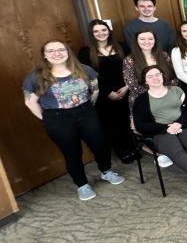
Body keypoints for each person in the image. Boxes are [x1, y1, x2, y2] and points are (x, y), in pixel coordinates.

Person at [24, 40, 124, 201]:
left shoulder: (84, 70)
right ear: (44, 55)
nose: (56, 53)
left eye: (60, 50)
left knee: (101, 145)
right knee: (72, 153)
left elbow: (95, 90)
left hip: (86, 112)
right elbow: (30, 101)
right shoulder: (35, 76)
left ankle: (106, 171)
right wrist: (47, 118)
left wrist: (86, 107)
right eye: (51, 51)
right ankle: (82, 185)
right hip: (57, 118)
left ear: (67, 52)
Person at [132, 66, 187, 192]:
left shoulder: (176, 90)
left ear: (162, 75)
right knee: (177, 152)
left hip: (184, 125)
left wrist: (179, 123)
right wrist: (166, 127)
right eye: (150, 76)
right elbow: (141, 125)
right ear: (145, 81)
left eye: (157, 74)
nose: (155, 78)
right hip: (161, 132)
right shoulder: (141, 100)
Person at [78, 19, 138, 164]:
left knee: (127, 121)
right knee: (111, 125)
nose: (101, 33)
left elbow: (132, 68)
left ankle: (133, 148)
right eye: (96, 31)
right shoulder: (85, 52)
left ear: (108, 31)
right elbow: (87, 76)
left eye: (103, 30)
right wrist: (107, 92)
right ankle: (122, 151)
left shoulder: (123, 47)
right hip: (103, 95)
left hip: (125, 90)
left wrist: (126, 87)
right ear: (91, 34)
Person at [123, 29, 177, 115]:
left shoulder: (164, 56)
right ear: (136, 41)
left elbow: (173, 77)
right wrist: (156, 95)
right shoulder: (129, 60)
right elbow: (132, 84)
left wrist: (164, 93)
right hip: (143, 100)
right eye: (142, 39)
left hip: (167, 97)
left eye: (150, 39)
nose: (147, 41)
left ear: (155, 40)